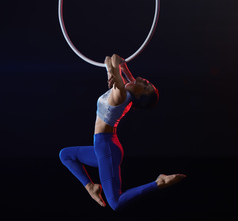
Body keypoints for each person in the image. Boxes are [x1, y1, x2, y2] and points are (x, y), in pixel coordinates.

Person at [59, 54, 186, 211]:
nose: (146, 81)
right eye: (149, 84)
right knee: (65, 155)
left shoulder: (121, 95)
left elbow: (113, 61)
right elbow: (112, 58)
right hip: (103, 146)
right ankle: (91, 187)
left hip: (107, 149)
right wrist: (113, 71)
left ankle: (158, 182)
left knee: (115, 203)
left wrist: (114, 70)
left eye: (146, 87)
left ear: (138, 95)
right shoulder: (128, 87)